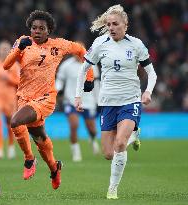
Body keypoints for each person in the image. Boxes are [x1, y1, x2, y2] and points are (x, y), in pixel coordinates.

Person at [3, 10, 94, 190]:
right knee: (40, 138)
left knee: (15, 121)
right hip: (24, 97)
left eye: (41, 28)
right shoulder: (23, 42)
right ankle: (54, 168)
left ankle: (29, 159)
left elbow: (82, 51)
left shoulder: (58, 45)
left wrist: (89, 76)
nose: (36, 31)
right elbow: (6, 65)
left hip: (45, 98)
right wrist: (19, 48)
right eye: (34, 28)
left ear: (49, 30)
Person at [75, 5, 157, 199]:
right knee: (109, 153)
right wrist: (78, 96)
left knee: (120, 143)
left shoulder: (136, 44)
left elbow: (151, 73)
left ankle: (112, 189)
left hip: (130, 100)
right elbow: (83, 69)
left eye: (115, 24)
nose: (111, 28)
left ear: (125, 25)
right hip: (107, 102)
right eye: (108, 24)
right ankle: (135, 135)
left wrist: (147, 92)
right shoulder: (100, 43)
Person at [56, 54, 100, 162]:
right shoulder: (66, 65)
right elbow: (60, 80)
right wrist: (56, 90)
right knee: (74, 125)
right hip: (71, 100)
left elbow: (97, 84)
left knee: (92, 130)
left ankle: (92, 139)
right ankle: (76, 152)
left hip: (88, 101)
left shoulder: (92, 65)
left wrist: (98, 100)